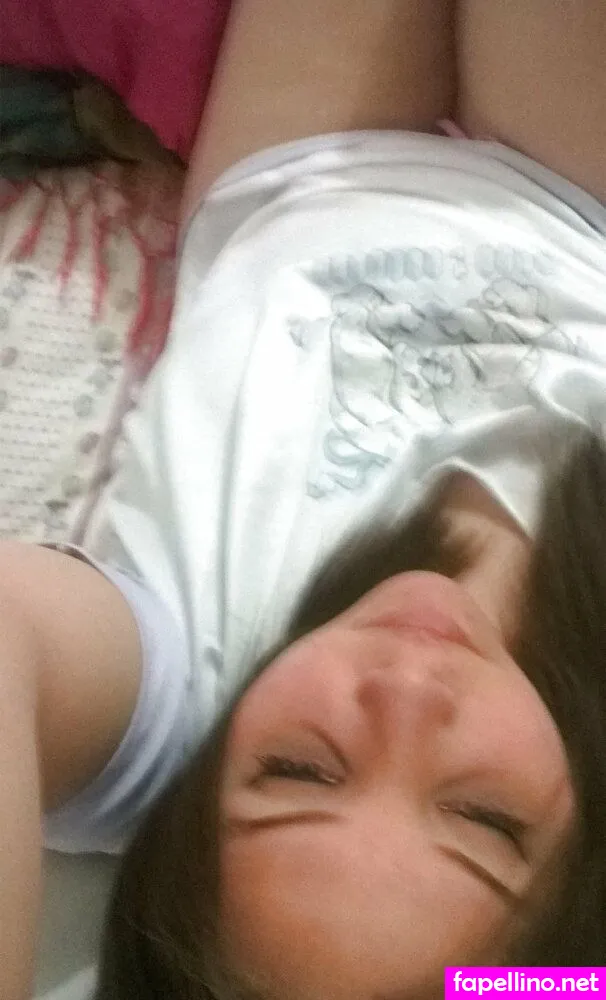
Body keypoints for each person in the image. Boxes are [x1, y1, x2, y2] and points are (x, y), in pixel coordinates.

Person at [1, 1, 606, 998]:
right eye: (486, 818)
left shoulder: (182, 709)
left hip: (311, 169)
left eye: (298, 771)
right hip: (581, 201)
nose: (405, 694)